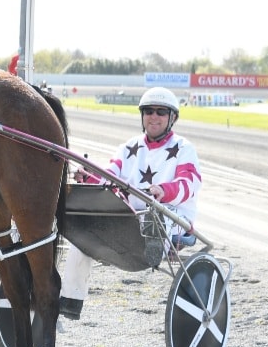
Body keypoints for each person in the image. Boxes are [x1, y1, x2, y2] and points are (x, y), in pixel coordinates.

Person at [60, 86, 201, 320]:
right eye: (148, 111)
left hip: (171, 218)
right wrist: (89, 176)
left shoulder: (185, 148)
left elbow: (189, 184)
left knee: (156, 216)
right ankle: (70, 301)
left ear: (172, 118)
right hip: (129, 221)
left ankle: (155, 245)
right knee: (81, 237)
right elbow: (108, 177)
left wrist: (162, 191)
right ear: (142, 115)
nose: (154, 116)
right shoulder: (129, 146)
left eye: (160, 112)